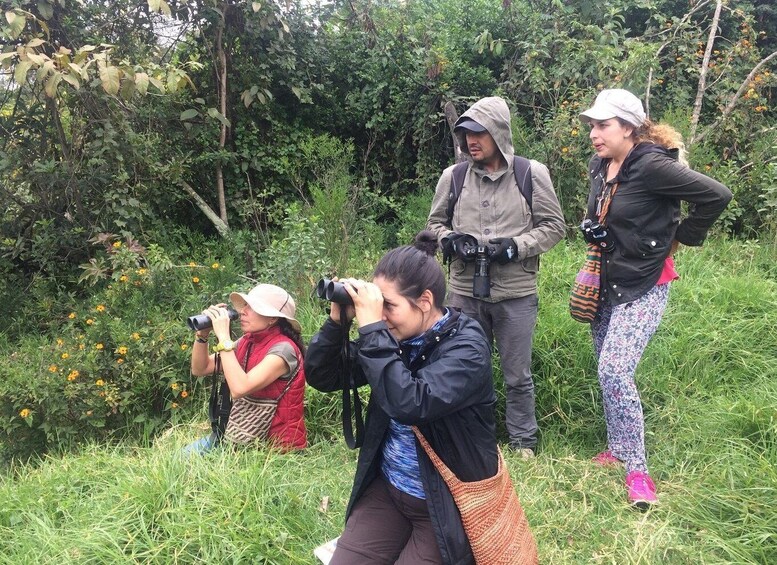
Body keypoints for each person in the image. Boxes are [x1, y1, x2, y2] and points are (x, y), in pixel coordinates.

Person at [305, 231, 499, 564]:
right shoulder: (393, 336)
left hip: (446, 500)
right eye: (378, 306)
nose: (380, 317)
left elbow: (411, 402)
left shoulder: (467, 347)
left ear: (424, 301)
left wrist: (371, 330)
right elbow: (324, 376)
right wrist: (338, 321)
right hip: (389, 489)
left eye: (388, 306)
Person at [578, 88, 732, 508]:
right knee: (605, 367)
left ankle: (638, 471)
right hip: (607, 279)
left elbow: (716, 196)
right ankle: (615, 448)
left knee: (614, 370)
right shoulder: (602, 164)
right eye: (592, 124)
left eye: (603, 125)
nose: (594, 133)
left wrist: (680, 237)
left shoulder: (652, 166)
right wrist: (592, 226)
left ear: (629, 127)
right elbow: (608, 211)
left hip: (644, 282)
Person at [427, 96, 566, 456]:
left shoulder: (530, 173)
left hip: (516, 292)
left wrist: (515, 246)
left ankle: (523, 442)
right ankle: (471, 438)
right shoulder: (453, 177)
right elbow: (434, 225)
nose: (471, 141)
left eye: (479, 133)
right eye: (465, 134)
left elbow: (554, 227)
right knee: (462, 369)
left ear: (499, 133)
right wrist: (451, 241)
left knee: (517, 374)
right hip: (462, 292)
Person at [186, 283, 307, 453]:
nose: (243, 311)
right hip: (241, 435)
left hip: (276, 448)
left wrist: (223, 336)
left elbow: (240, 388)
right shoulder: (247, 341)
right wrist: (202, 335)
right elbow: (201, 368)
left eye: (252, 307)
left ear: (272, 318)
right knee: (179, 459)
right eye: (245, 305)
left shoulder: (284, 350)